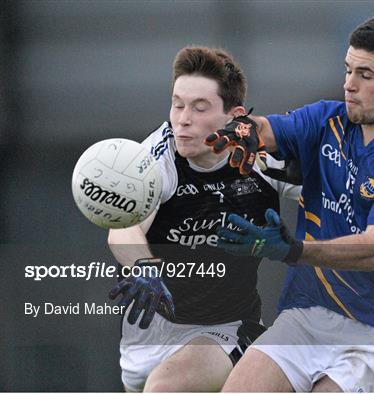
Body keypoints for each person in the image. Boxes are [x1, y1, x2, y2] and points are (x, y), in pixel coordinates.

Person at [207, 14, 374, 392]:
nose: (348, 85)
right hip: (306, 315)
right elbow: (269, 129)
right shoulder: (328, 120)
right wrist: (245, 132)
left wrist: (293, 250)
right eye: (348, 69)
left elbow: (373, 250)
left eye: (365, 75)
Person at [107, 46, 299, 392]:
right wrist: (144, 266)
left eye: (200, 108)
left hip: (225, 326)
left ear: (234, 116)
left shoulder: (260, 157)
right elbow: (124, 227)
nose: (182, 119)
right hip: (150, 331)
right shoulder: (156, 158)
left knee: (164, 388)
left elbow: (332, 199)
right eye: (178, 104)